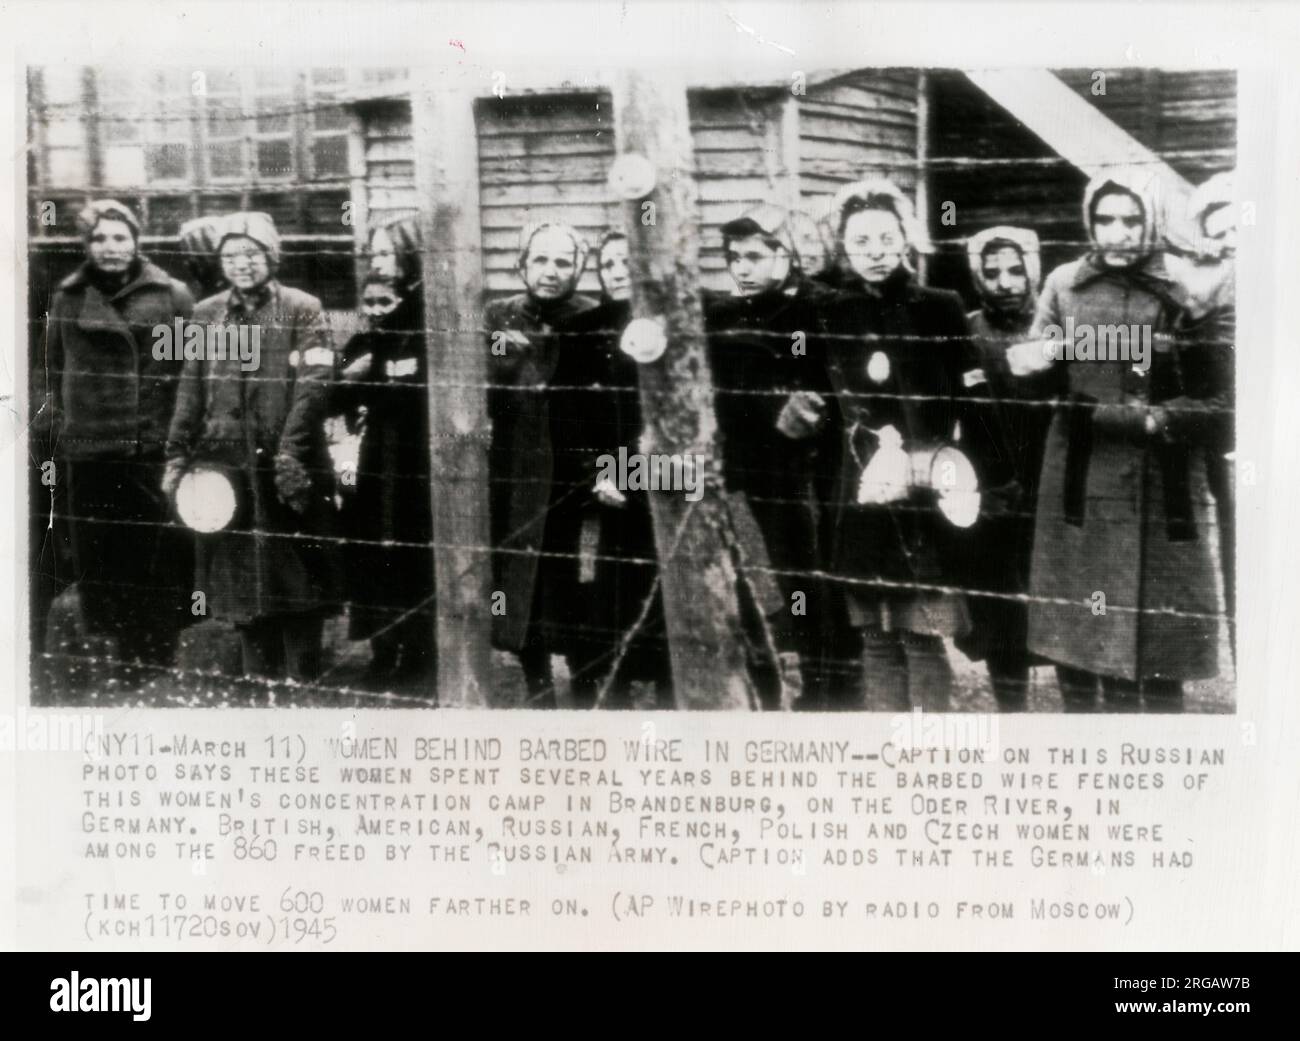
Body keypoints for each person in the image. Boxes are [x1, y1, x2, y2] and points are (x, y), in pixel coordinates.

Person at [1011, 168, 1223, 711]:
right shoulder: (1064, 283)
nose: (1118, 232)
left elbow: (1216, 388)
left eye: (1132, 219)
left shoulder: (1185, 283)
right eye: (1105, 219)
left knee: (1158, 648)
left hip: (1164, 477)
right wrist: (1032, 362)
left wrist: (1161, 413)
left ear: (1153, 220)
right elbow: (1039, 365)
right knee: (1082, 634)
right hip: (1081, 471)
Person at [164, 212, 341, 685]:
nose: (241, 264)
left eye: (251, 254)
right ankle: (257, 683)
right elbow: (190, 389)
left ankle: (302, 678)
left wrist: (290, 451)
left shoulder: (303, 308)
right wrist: (178, 454)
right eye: (230, 256)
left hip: (289, 463)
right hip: (227, 470)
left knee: (300, 581)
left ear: (270, 257)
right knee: (242, 585)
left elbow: (315, 384)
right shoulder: (206, 313)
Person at [817, 179, 974, 711]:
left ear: (906, 237)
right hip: (860, 495)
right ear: (843, 246)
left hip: (927, 490)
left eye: (886, 238)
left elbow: (969, 404)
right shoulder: (831, 312)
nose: (876, 253)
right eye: (861, 242)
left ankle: (927, 747)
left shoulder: (940, 306)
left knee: (921, 631)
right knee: (875, 635)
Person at [40, 199, 194, 678]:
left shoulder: (171, 295)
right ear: (87, 245)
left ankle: (156, 650)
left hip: (149, 445)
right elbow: (53, 367)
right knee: (103, 559)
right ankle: (126, 652)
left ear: (137, 241)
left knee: (155, 553)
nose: (110, 248)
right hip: (90, 448)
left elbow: (191, 371)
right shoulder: (68, 297)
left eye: (120, 238)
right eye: (100, 239)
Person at [704, 205, 836, 710]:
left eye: (755, 256)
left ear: (787, 256)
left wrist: (805, 402)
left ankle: (822, 688)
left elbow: (827, 383)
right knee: (752, 579)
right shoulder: (722, 314)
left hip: (802, 470)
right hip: (741, 468)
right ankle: (765, 679)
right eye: (734, 257)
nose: (742, 267)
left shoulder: (813, 308)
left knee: (804, 576)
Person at [484, 222, 598, 707]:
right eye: (541, 261)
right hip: (514, 465)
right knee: (519, 573)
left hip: (576, 469)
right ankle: (536, 679)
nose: (551, 272)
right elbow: (477, 381)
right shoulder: (499, 316)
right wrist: (501, 359)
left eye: (563, 262)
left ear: (579, 270)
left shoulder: (594, 318)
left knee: (573, 574)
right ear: (522, 265)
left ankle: (588, 672)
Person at [951, 226, 1060, 709]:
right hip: (992, 483)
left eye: (1016, 269)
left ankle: (1084, 704)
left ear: (1033, 269)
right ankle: (1012, 710)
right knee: (1001, 612)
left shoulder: (1055, 325)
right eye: (992, 272)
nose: (1006, 281)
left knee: (1060, 602)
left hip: (1052, 478)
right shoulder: (968, 331)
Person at [568, 230, 673, 707]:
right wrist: (598, 474)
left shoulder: (678, 324)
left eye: (627, 261)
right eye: (607, 264)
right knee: (618, 591)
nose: (617, 271)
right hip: (615, 484)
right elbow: (573, 417)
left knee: (675, 585)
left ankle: (681, 690)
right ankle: (617, 693)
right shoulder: (587, 331)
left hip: (675, 479)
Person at [332, 271, 436, 689]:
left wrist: (367, 385)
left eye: (385, 303)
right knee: (371, 558)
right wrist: (347, 380)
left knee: (414, 559)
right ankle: (381, 649)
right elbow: (331, 398)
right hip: (370, 469)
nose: (376, 312)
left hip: (414, 468)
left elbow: (414, 397)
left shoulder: (421, 345)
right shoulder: (360, 345)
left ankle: (418, 651)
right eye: (369, 303)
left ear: (403, 304)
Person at [1175, 171, 1236, 663]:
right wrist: (1198, 311)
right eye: (1222, 237)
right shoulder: (1204, 306)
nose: (1234, 248)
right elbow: (1200, 390)